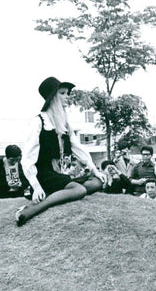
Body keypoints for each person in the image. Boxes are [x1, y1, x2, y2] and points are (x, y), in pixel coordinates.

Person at [17, 77, 105, 226]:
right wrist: (36, 186)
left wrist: (95, 171)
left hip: (56, 173)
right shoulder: (39, 121)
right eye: (63, 93)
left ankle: (53, 195)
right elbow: (27, 158)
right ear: (53, 98)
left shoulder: (63, 123)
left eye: (67, 93)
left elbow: (79, 149)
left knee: (96, 183)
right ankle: (31, 211)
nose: (67, 97)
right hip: (41, 173)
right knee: (79, 190)